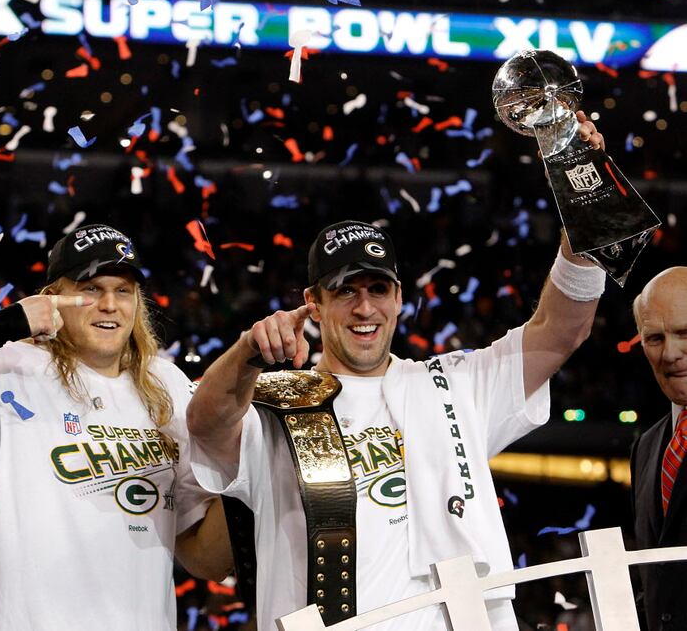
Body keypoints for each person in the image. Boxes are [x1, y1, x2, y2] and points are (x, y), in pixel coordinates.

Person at [186, 115, 607, 630]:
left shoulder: (455, 384)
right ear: (313, 304)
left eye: (377, 289)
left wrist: (585, 201)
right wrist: (246, 353)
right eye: (345, 291)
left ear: (399, 298)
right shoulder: (278, 399)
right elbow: (205, 425)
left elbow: (562, 330)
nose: (365, 307)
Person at [0, 223, 232, 631]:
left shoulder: (166, 384)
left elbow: (206, 559)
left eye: (123, 290)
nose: (109, 304)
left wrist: (247, 468)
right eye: (90, 288)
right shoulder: (9, 370)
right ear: (50, 298)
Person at [630, 267, 687, 631]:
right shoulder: (647, 447)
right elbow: (656, 581)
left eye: (685, 333)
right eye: (654, 338)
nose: (670, 353)